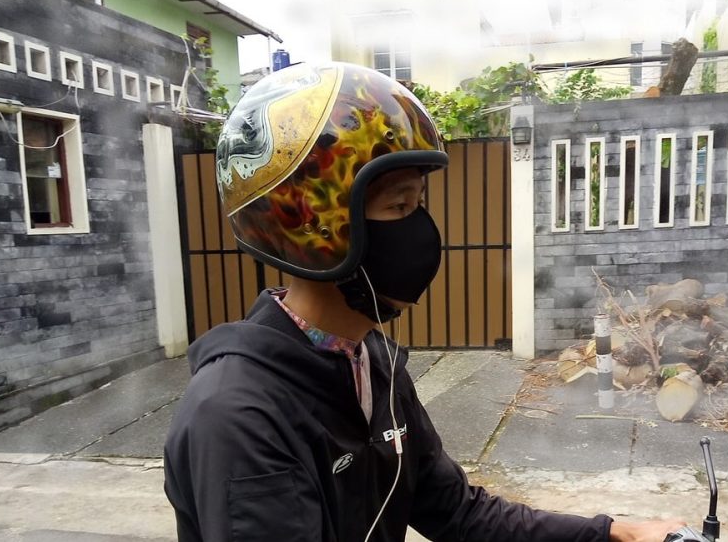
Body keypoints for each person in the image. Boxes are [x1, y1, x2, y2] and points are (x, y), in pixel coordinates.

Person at [163, 62, 686, 542]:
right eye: (399, 206)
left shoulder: (373, 364)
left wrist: (611, 534)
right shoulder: (238, 416)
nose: (421, 231)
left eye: (419, 204)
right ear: (313, 225)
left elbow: (456, 512)